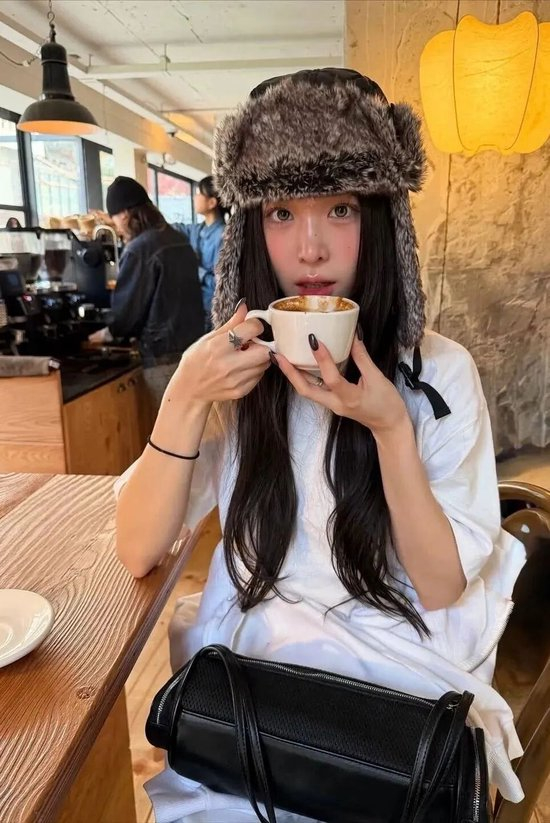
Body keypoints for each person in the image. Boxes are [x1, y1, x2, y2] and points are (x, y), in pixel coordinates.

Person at [114, 69, 526, 821]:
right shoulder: (238, 372)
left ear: (384, 221)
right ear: (251, 228)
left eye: (340, 208)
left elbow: (439, 587)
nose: (310, 248)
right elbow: (139, 549)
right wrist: (184, 397)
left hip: (387, 721)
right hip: (250, 714)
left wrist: (389, 426)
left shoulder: (439, 373)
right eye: (281, 212)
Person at [88, 176, 204, 415]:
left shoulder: (139, 249)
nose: (117, 227)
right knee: (196, 426)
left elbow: (126, 315)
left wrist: (107, 332)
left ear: (125, 214)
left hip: (163, 358)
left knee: (172, 432)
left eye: (115, 218)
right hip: (194, 350)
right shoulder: (178, 239)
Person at [173, 175, 228, 331]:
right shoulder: (197, 229)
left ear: (211, 203)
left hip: (211, 311)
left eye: (199, 193)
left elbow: (221, 284)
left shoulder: (223, 235)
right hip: (194, 306)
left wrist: (195, 269)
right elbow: (174, 228)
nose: (195, 197)